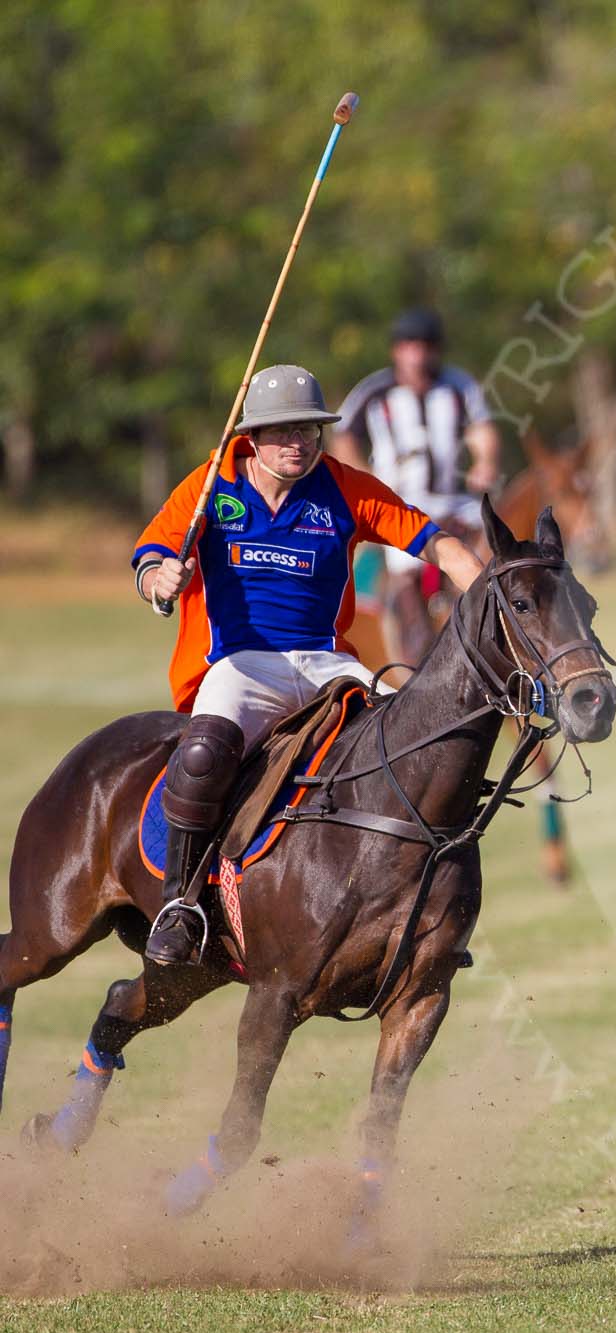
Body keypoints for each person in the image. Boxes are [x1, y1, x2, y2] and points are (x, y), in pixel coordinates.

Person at [132, 363, 486, 966]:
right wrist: (161, 578)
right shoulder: (210, 487)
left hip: (326, 664)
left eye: (308, 430)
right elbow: (149, 559)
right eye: (283, 431)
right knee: (202, 753)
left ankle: (423, 904)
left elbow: (439, 545)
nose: (297, 442)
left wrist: (489, 595)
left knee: (414, 746)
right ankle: (181, 904)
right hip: (240, 663)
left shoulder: (346, 487)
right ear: (252, 436)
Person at [331, 308, 500, 655]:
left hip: (454, 500)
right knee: (405, 568)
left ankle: (496, 632)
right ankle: (414, 649)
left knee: (496, 545)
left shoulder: (458, 386)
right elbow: (344, 438)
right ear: (396, 350)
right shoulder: (375, 391)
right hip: (398, 505)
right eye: (409, 345)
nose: (417, 355)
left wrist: (485, 461)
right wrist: (367, 480)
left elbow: (482, 428)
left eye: (425, 346)